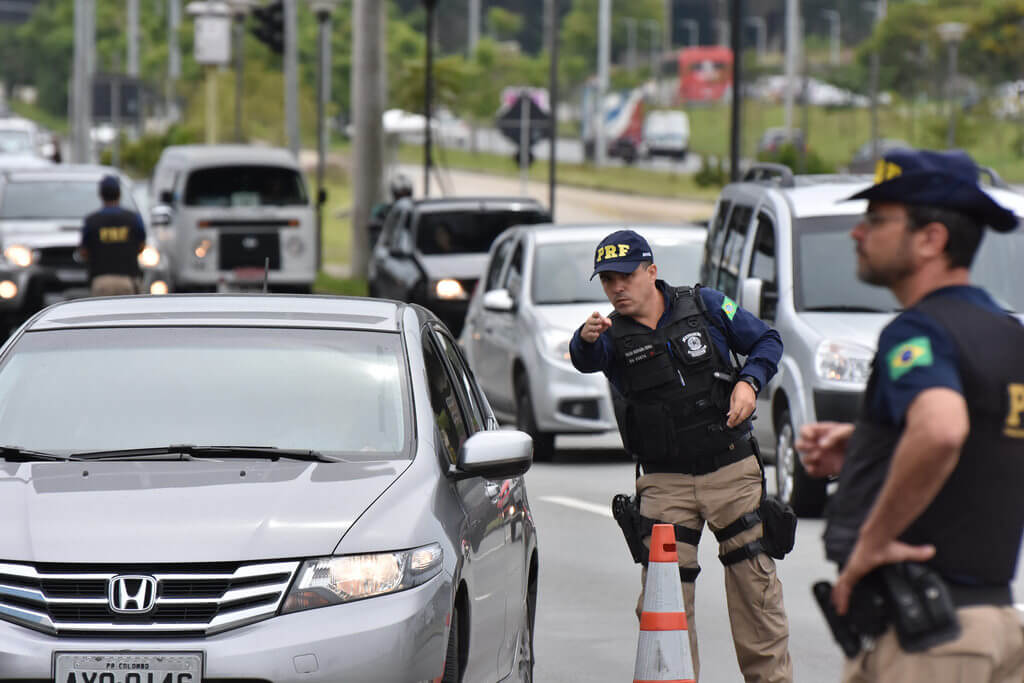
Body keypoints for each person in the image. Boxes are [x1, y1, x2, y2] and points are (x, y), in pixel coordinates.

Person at [796, 149, 1024, 682]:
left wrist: (873, 541)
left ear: (931, 239)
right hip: (995, 624)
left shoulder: (918, 331)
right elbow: (989, 440)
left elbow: (942, 430)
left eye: (877, 219)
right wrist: (873, 441)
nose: (857, 233)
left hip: (930, 639)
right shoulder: (1008, 335)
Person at [570, 229, 792, 682]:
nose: (616, 288)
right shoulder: (610, 336)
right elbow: (584, 357)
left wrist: (749, 382)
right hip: (665, 484)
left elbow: (767, 340)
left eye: (626, 276)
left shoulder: (705, 304)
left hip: (731, 470)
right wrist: (584, 338)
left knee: (757, 594)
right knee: (666, 603)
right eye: (607, 280)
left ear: (652, 272)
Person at [79, 175, 146, 296]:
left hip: (100, 282)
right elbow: (141, 246)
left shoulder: (91, 221)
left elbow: (84, 252)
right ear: (119, 193)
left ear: (100, 195)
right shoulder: (133, 218)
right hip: (129, 280)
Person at [368, 173, 414, 248]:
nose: (403, 199)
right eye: (400, 195)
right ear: (394, 194)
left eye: (406, 195)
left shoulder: (415, 212)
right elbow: (375, 232)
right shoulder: (382, 211)